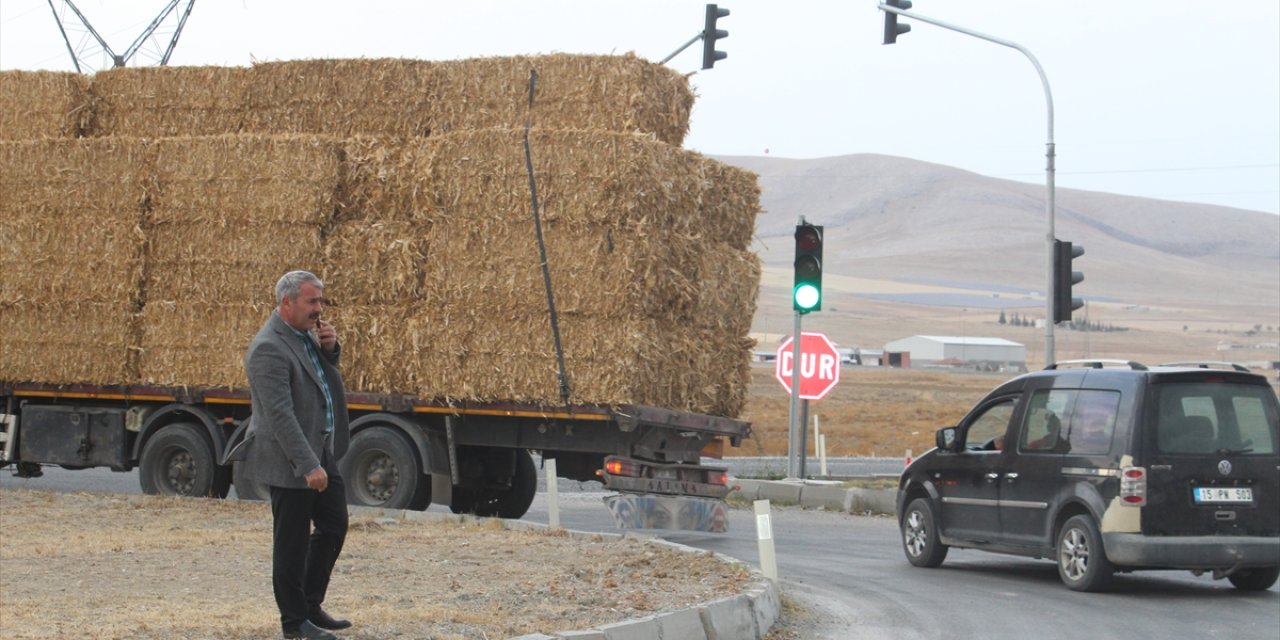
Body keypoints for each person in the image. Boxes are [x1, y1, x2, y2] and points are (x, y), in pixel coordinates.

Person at [242, 270, 353, 640]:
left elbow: (320, 382)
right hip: (290, 459)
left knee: (334, 525)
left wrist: (330, 350)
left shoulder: (305, 334)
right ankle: (294, 623)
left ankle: (309, 605)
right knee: (291, 543)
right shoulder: (268, 348)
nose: (319, 309)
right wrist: (307, 465)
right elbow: (279, 416)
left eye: (320, 300)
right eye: (312, 301)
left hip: (319, 448)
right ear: (287, 303)